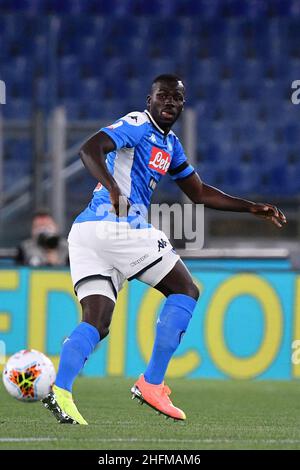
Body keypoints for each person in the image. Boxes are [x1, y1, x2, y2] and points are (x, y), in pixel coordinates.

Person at [42, 74, 286, 424]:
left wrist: (250, 206)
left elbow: (199, 192)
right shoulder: (138, 123)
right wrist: (113, 188)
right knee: (185, 289)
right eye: (163, 96)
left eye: (177, 99)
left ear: (183, 105)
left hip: (86, 234)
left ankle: (60, 390)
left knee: (97, 321)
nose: (170, 103)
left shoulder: (170, 145)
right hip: (116, 225)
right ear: (149, 99)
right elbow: (89, 148)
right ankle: (152, 382)